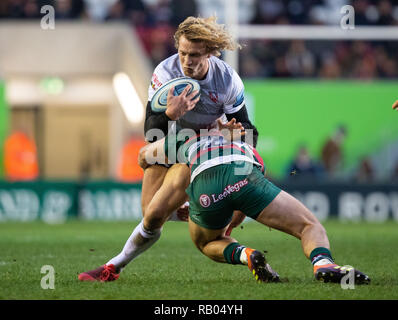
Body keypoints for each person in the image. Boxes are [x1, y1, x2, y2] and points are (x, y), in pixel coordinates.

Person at [78, 16, 258, 282]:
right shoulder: (165, 72)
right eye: (183, 53)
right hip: (174, 143)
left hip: (208, 148)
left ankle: (112, 267)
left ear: (208, 52)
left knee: (210, 221)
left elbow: (250, 132)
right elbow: (152, 131)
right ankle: (184, 207)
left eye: (195, 55)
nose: (187, 61)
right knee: (150, 213)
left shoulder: (227, 79)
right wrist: (170, 114)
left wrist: (236, 135)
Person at [137, 126, 370, 284]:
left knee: (207, 242)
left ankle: (245, 254)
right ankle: (323, 263)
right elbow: (242, 206)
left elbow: (144, 155)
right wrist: (234, 218)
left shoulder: (188, 138)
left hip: (205, 183)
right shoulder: (248, 146)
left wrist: (153, 163)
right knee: (310, 226)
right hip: (246, 174)